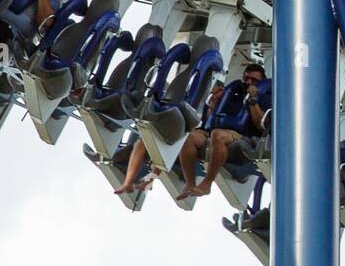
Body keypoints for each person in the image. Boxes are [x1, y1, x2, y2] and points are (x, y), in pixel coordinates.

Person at [111, 78, 227, 197]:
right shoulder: (202, 100)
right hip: (183, 125)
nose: (214, 94)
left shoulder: (222, 107)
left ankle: (151, 179)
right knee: (141, 143)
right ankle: (128, 182)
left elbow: (209, 124)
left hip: (198, 133)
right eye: (214, 92)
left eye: (217, 92)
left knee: (172, 143)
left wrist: (213, 106)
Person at [179, 62, 268, 199]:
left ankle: (207, 184)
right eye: (247, 79)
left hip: (242, 135)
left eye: (254, 80)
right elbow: (210, 120)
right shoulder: (234, 92)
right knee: (190, 137)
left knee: (218, 135)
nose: (249, 82)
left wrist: (253, 100)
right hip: (215, 130)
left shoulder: (264, 96)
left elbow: (260, 124)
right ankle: (190, 184)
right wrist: (214, 102)